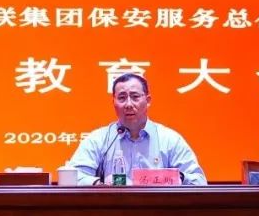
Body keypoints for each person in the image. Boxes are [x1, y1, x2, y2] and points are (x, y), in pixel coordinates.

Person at [67, 73, 207, 185]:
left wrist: (172, 177)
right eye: (122, 98)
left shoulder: (169, 139)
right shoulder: (98, 139)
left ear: (148, 100)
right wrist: (100, 184)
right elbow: (72, 176)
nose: (128, 104)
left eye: (135, 97)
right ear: (113, 102)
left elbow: (199, 181)